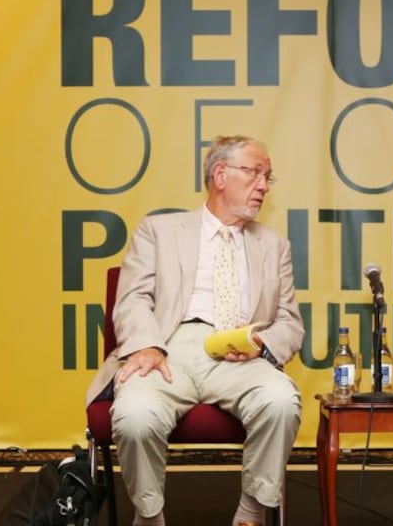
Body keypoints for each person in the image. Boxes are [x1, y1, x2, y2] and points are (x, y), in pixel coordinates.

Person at [84, 135, 304, 526]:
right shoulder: (159, 229)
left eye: (268, 177)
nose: (264, 186)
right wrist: (147, 345)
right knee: (134, 415)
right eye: (254, 172)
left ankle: (251, 515)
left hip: (239, 357)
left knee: (281, 402)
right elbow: (132, 298)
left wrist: (261, 345)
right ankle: (149, 518)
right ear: (220, 175)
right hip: (168, 349)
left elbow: (289, 321)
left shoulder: (275, 246)